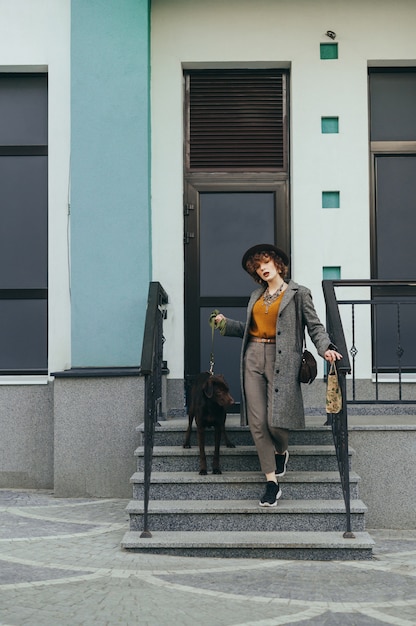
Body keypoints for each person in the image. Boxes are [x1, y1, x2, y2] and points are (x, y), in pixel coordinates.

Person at [213, 243, 342, 507]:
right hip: (252, 358)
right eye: (257, 267)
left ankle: (282, 450)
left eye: (265, 263)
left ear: (277, 264)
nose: (262, 269)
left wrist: (326, 348)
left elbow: (315, 327)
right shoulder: (256, 297)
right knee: (258, 423)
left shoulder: (299, 294)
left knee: (276, 422)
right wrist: (225, 324)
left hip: (282, 360)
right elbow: (250, 329)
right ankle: (271, 482)